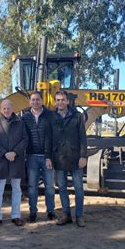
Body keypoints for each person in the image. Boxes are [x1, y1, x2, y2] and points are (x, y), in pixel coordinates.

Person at [47, 91, 87, 227]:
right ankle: (66, 214)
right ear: (55, 102)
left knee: (79, 188)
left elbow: (83, 138)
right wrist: (48, 157)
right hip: (59, 158)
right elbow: (49, 139)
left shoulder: (77, 116)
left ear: (67, 101)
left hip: (75, 158)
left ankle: (79, 216)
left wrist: (83, 156)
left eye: (63, 100)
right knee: (62, 187)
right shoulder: (51, 117)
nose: (60, 102)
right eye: (57, 100)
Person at [0, 99, 28, 227]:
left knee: (17, 189)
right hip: (1, 160)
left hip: (16, 160)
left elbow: (25, 140)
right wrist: (4, 153)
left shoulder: (20, 123)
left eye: (8, 108)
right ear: (0, 110)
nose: (6, 110)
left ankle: (16, 216)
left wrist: (15, 152)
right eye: (4, 108)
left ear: (12, 108)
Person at [21, 91, 56, 222]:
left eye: (38, 100)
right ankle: (32, 213)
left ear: (42, 101)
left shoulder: (50, 116)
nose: (35, 102)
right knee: (32, 186)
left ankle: (51, 212)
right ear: (29, 101)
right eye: (33, 100)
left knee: (49, 186)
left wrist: (49, 156)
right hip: (31, 157)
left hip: (47, 157)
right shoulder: (25, 118)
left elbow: (52, 137)